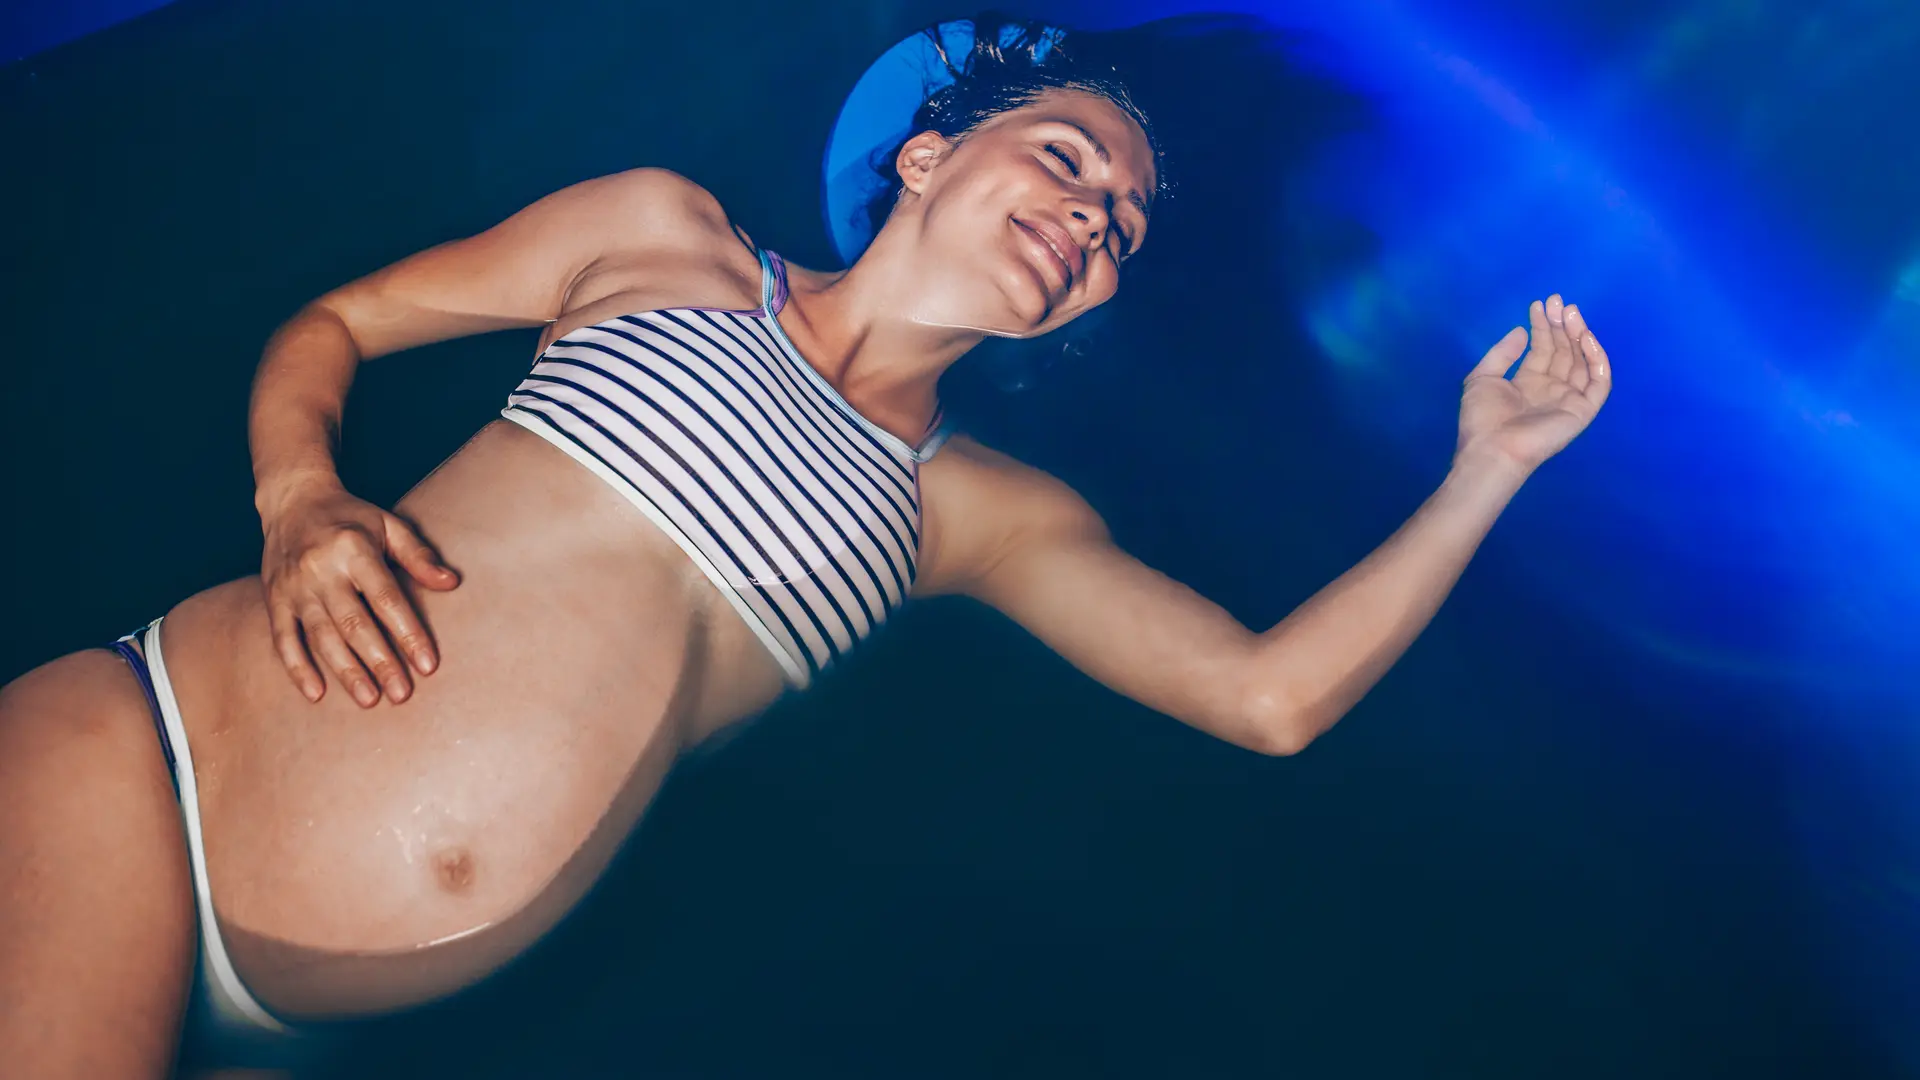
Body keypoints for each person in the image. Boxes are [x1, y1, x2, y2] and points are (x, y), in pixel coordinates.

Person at [0, 15, 1610, 1079]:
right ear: (928, 156)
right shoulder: (662, 236)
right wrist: (303, 500)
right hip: (142, 768)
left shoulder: (977, 515)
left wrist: (1491, 466)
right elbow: (338, 320)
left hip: (295, 1013)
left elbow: (1270, 697)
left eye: (1122, 223)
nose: (1095, 214)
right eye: (1066, 157)